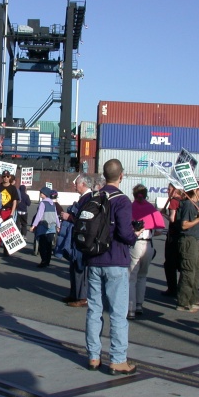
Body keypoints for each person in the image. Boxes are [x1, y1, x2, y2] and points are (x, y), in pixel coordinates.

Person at [85, 159, 139, 375]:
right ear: (121, 176)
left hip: (93, 259)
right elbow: (125, 234)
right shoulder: (122, 201)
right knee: (117, 313)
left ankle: (93, 356)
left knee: (94, 310)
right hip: (115, 259)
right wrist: (135, 235)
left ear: (104, 176)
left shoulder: (93, 197)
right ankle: (117, 359)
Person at [128, 184, 164, 319]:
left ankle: (130, 309)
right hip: (148, 243)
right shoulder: (151, 209)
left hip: (136, 243)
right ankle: (139, 305)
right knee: (143, 276)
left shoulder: (131, 207)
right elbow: (160, 230)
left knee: (131, 277)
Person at [58, 174, 93, 307]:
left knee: (79, 267)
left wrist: (69, 217)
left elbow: (85, 220)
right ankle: (74, 294)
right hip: (77, 237)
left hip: (82, 239)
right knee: (73, 266)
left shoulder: (89, 199)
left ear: (83, 184)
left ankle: (82, 297)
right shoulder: (85, 198)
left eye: (76, 183)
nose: (74, 185)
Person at [175, 184, 199, 312]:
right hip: (188, 240)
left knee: (196, 272)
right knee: (188, 271)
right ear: (195, 190)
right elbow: (184, 225)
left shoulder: (198, 205)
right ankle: (183, 301)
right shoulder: (188, 205)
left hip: (196, 240)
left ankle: (194, 299)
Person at [161, 183, 183, 297]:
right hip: (182, 234)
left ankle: (172, 288)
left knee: (169, 263)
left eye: (169, 189)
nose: (167, 191)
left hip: (173, 234)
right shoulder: (184, 201)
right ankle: (180, 287)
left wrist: (164, 215)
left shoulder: (174, 201)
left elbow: (172, 219)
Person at [30, 187, 59, 268]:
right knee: (49, 245)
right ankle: (48, 261)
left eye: (41, 193)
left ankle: (43, 261)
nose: (40, 194)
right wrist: (58, 226)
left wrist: (33, 225)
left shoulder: (43, 203)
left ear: (45, 194)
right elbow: (56, 216)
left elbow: (39, 215)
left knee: (42, 245)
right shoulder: (53, 204)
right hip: (52, 227)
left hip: (43, 226)